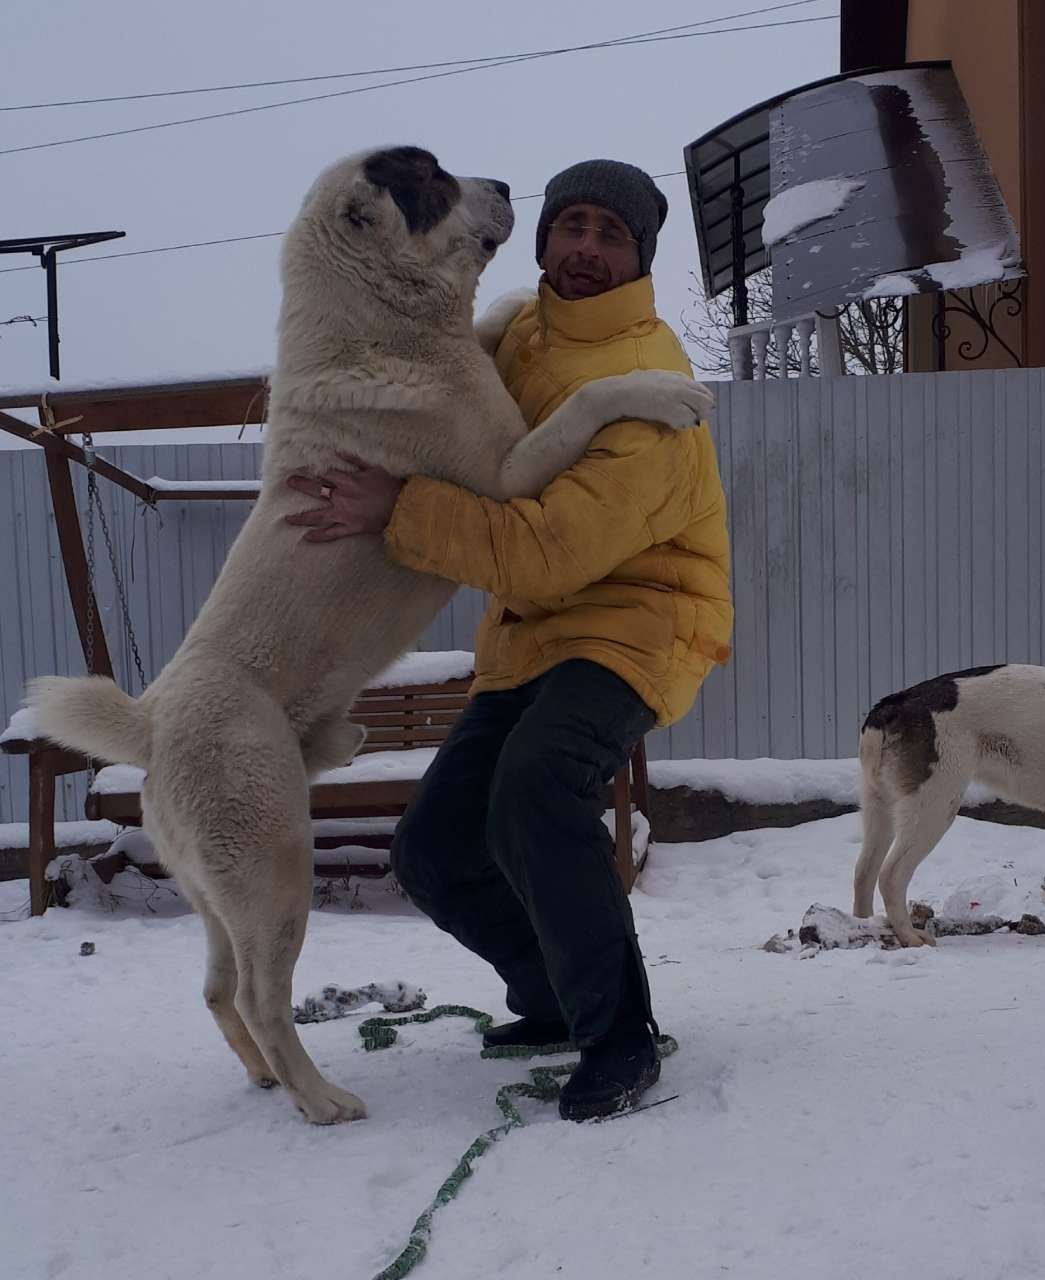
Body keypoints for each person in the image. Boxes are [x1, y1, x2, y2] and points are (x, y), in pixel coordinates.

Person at [285, 159, 732, 1120]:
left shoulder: (650, 388)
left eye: (610, 235)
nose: (584, 247)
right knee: (437, 848)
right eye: (571, 225)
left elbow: (546, 554)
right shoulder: (524, 334)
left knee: (537, 789)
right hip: (533, 635)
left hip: (641, 622)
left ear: (640, 258)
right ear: (542, 242)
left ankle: (620, 1037)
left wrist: (396, 505)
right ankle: (552, 997)